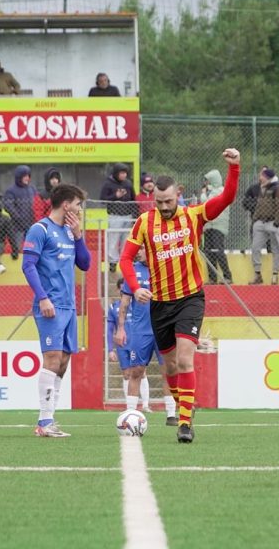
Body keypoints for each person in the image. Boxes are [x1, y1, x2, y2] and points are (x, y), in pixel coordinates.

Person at [119, 148, 241, 443]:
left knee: (185, 361)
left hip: (190, 299)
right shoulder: (144, 223)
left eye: (169, 201)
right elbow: (125, 259)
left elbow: (226, 199)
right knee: (171, 366)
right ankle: (186, 403)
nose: (163, 206)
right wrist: (136, 288)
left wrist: (234, 168)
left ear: (179, 195)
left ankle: (184, 423)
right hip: (160, 303)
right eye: (159, 202)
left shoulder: (194, 215)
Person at [22, 184, 91, 437]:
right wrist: (43, 298)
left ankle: (51, 419)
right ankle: (43, 422)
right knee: (52, 359)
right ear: (66, 205)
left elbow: (85, 264)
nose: (80, 209)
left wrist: (79, 235)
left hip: (69, 306)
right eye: (78, 204)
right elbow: (28, 266)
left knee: (62, 363)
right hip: (50, 305)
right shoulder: (40, 229)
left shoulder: (70, 232)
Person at [114, 253, 178, 423]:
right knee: (136, 371)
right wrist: (120, 329)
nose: (139, 251)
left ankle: (171, 414)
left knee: (169, 371)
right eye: (139, 247)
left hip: (164, 329)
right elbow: (125, 302)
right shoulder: (132, 271)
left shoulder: (166, 267)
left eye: (143, 247)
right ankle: (130, 413)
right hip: (141, 331)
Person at [249, 167, 279, 285]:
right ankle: (257, 274)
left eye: (262, 176)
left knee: (276, 248)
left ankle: (275, 274)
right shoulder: (262, 189)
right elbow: (259, 206)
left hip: (272, 222)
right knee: (255, 248)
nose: (260, 178)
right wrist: (255, 220)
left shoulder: (277, 188)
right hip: (260, 222)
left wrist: (277, 222)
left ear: (267, 177)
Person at [100, 162, 135, 273]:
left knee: (126, 239)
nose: (124, 175)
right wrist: (116, 196)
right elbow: (102, 200)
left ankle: (125, 261)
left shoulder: (128, 184)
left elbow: (133, 199)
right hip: (115, 215)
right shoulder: (108, 184)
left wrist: (134, 214)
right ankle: (113, 262)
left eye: (125, 173)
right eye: (121, 173)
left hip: (127, 215)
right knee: (114, 239)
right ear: (116, 173)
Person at [199, 169, 233, 285]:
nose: (206, 183)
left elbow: (208, 203)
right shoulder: (211, 191)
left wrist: (203, 193)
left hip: (218, 225)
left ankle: (227, 276)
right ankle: (212, 278)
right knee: (209, 252)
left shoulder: (220, 191)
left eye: (208, 181)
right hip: (208, 225)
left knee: (218, 251)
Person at [3, 165, 36, 257]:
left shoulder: (32, 189)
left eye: (28, 176)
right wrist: (18, 218)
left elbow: (37, 204)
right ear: (19, 177)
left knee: (31, 248)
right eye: (24, 176)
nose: (27, 178)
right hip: (17, 226)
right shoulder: (11, 190)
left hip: (31, 224)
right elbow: (8, 206)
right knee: (16, 248)